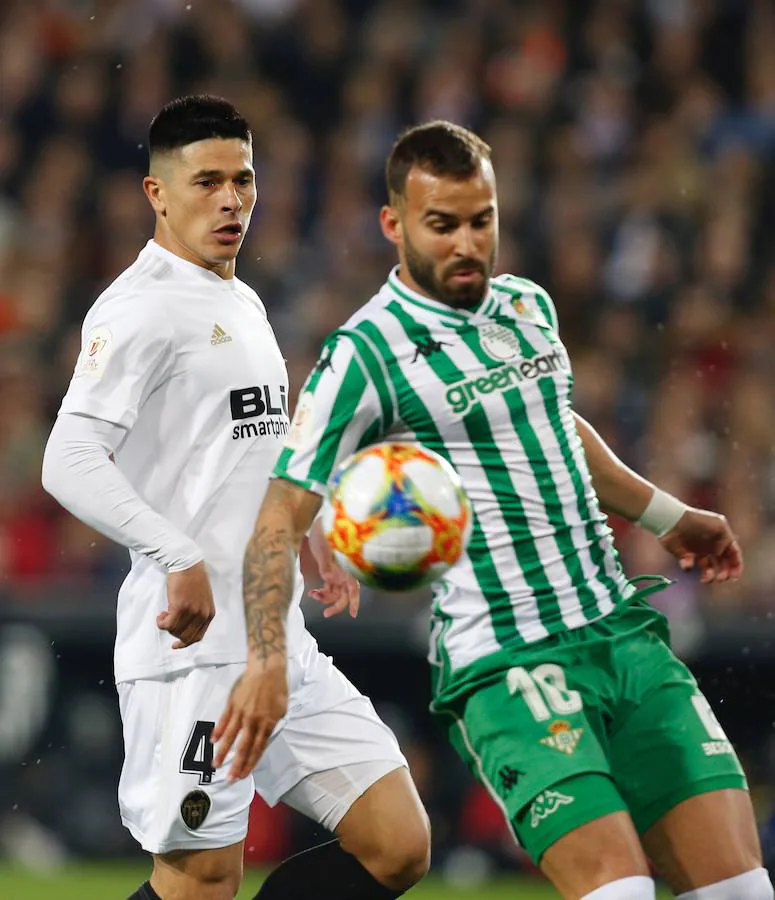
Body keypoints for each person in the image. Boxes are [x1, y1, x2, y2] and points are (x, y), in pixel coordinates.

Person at [213, 120, 774, 900]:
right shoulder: (362, 355)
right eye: (441, 225)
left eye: (482, 221)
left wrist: (666, 514)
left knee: (740, 892)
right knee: (621, 892)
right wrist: (268, 661)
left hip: (620, 632)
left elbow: (554, 428)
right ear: (394, 224)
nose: (466, 244)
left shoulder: (525, 307)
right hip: (508, 661)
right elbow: (279, 515)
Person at [41, 95, 430, 900]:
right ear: (156, 193)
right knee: (200, 882)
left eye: (244, 180)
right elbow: (67, 457)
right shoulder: (140, 308)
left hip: (273, 638)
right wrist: (174, 551)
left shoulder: (239, 299)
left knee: (397, 844)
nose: (230, 200)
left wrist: (308, 531)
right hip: (192, 650)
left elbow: (252, 443)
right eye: (207, 181)